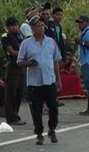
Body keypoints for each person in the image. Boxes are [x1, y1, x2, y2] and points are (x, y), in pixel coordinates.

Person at [17, 15, 62, 145]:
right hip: (34, 82)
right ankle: (39, 133)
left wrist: (58, 80)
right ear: (32, 28)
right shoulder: (26, 44)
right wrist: (29, 63)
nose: (41, 28)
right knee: (36, 109)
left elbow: (55, 61)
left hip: (49, 80)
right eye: (37, 26)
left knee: (53, 107)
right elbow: (19, 62)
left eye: (42, 26)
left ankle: (52, 129)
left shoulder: (51, 42)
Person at [0, 17, 26, 125]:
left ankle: (16, 115)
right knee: (11, 92)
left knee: (19, 92)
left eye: (17, 25)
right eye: (14, 26)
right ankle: (11, 117)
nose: (16, 27)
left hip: (21, 66)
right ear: (9, 27)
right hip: (13, 66)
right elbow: (11, 52)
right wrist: (23, 53)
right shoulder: (6, 37)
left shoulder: (19, 36)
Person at [75, 15, 89, 115]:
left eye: (81, 22)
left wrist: (82, 42)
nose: (79, 24)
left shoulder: (88, 32)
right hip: (86, 61)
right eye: (79, 22)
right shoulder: (84, 32)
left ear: (86, 23)